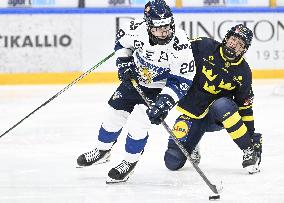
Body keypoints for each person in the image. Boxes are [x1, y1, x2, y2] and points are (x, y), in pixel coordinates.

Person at [77, 0, 196, 183]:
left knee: (138, 125)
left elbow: (183, 79)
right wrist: (124, 62)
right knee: (113, 115)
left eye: (167, 27)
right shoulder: (134, 28)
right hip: (134, 81)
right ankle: (103, 150)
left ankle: (129, 162)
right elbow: (122, 44)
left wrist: (165, 102)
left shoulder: (180, 43)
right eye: (158, 28)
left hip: (158, 89)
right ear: (148, 25)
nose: (164, 32)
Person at [163, 24, 263, 174]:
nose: (235, 44)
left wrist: (250, 139)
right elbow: (178, 49)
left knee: (222, 105)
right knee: (172, 161)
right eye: (233, 39)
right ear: (227, 38)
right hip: (193, 112)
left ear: (244, 50)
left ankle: (248, 150)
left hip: (216, 117)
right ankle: (193, 142)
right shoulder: (204, 45)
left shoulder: (244, 72)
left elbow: (245, 108)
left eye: (240, 44)